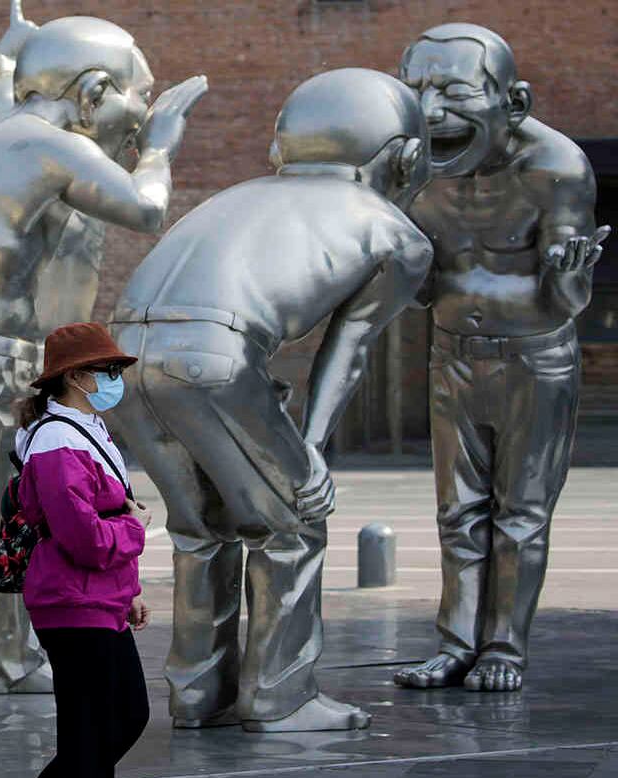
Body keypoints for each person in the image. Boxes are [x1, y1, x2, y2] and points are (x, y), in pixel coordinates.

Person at [109, 68, 433, 731]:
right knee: (292, 523)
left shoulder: (238, 196)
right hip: (214, 359)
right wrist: (307, 455)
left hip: (123, 358)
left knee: (202, 530)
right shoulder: (397, 233)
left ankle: (199, 694)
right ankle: (282, 699)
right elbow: (350, 347)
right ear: (404, 157)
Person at [0, 13, 206, 694]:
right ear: (93, 91)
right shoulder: (50, 143)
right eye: (137, 96)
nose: (138, 116)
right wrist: (161, 144)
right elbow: (144, 207)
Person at [393, 24, 607, 694]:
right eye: (417, 92)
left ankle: (504, 648)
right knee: (457, 514)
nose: (432, 113)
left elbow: (568, 300)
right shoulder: (415, 167)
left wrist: (572, 274)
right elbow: (423, 285)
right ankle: (455, 642)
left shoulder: (557, 167)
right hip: (452, 354)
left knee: (519, 514)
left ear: (512, 101)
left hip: (535, 359)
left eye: (454, 93)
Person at [15, 322, 151, 778]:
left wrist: (129, 590)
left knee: (121, 720)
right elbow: (84, 537)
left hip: (99, 600)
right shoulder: (57, 439)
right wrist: (135, 529)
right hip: (72, 603)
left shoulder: (89, 428)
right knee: (92, 735)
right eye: (108, 369)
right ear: (75, 377)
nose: (116, 378)